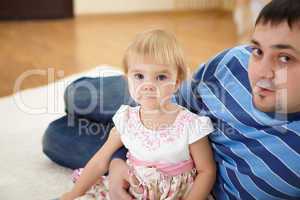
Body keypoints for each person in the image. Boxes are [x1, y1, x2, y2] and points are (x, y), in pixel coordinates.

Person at [43, 0, 300, 199]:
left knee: (55, 136)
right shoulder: (234, 62)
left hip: (183, 164)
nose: (260, 73)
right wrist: (118, 160)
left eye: (285, 58)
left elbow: (206, 172)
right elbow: (175, 99)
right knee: (77, 94)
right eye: (257, 50)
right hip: (165, 106)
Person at [60, 29, 216, 200]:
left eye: (161, 77)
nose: (148, 85)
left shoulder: (191, 124)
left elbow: (206, 171)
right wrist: (73, 194)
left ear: (176, 83)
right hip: (134, 193)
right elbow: (99, 162)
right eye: (139, 76)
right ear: (127, 79)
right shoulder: (126, 118)